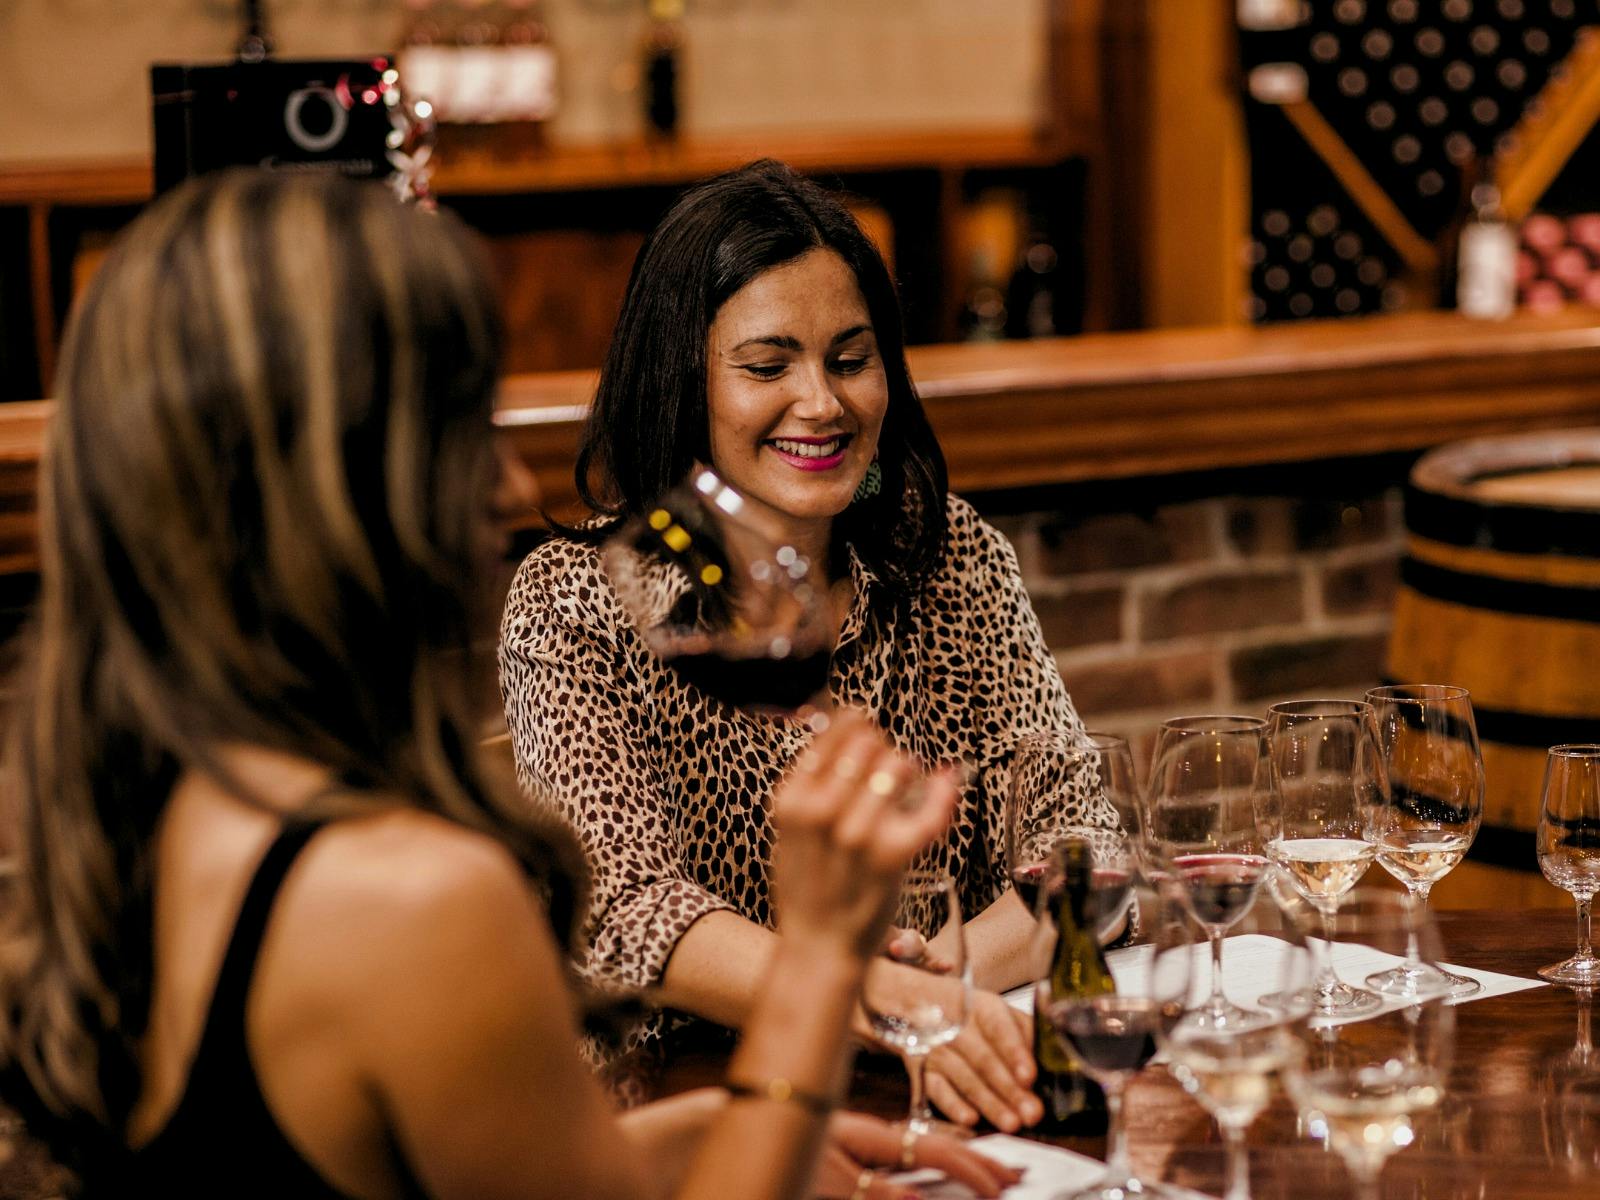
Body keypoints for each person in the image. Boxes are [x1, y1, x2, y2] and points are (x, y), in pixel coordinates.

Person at [0, 169, 1020, 1200]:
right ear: (342, 490)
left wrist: (718, 1127)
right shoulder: (417, 902)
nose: (511, 485)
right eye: (466, 432)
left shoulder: (152, 816)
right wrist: (821, 965)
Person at [500, 159, 1118, 1132]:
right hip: (679, 1130)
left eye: (849, 357)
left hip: (925, 1097)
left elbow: (1084, 850)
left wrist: (947, 982)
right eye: (766, 365)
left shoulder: (948, 558)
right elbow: (622, 917)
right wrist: (889, 1000)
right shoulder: (585, 599)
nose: (821, 403)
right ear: (683, 377)